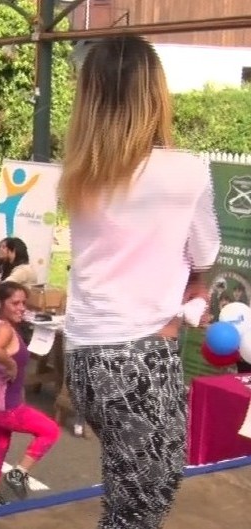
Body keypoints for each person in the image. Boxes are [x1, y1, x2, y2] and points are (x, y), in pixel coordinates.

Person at [60, 37, 220, 529]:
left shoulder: (80, 172)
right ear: (154, 94)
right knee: (144, 501)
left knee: (127, 492)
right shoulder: (186, 171)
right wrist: (196, 282)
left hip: (84, 357)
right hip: (139, 359)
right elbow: (206, 253)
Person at [0, 281, 59, 508]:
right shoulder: (4, 329)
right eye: (15, 303)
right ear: (1, 303)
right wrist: (11, 365)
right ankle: (18, 474)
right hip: (4, 407)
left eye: (24, 302)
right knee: (50, 430)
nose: (22, 307)